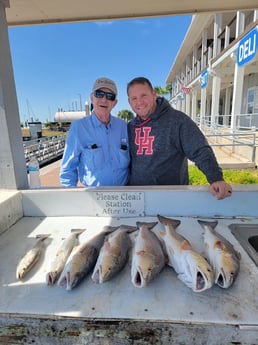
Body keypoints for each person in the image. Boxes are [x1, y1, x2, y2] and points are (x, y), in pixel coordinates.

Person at [126, 76, 232, 200]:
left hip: (172, 197)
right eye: (134, 98)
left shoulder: (178, 121)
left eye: (143, 95)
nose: (139, 102)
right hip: (137, 197)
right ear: (129, 102)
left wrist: (215, 178)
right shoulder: (130, 126)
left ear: (154, 94)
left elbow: (199, 150)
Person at [60, 77, 130, 187]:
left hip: (124, 197)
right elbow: (68, 169)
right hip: (94, 198)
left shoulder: (123, 126)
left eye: (110, 96)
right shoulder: (78, 128)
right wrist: (70, 199)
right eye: (99, 94)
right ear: (92, 97)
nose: (104, 99)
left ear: (114, 103)